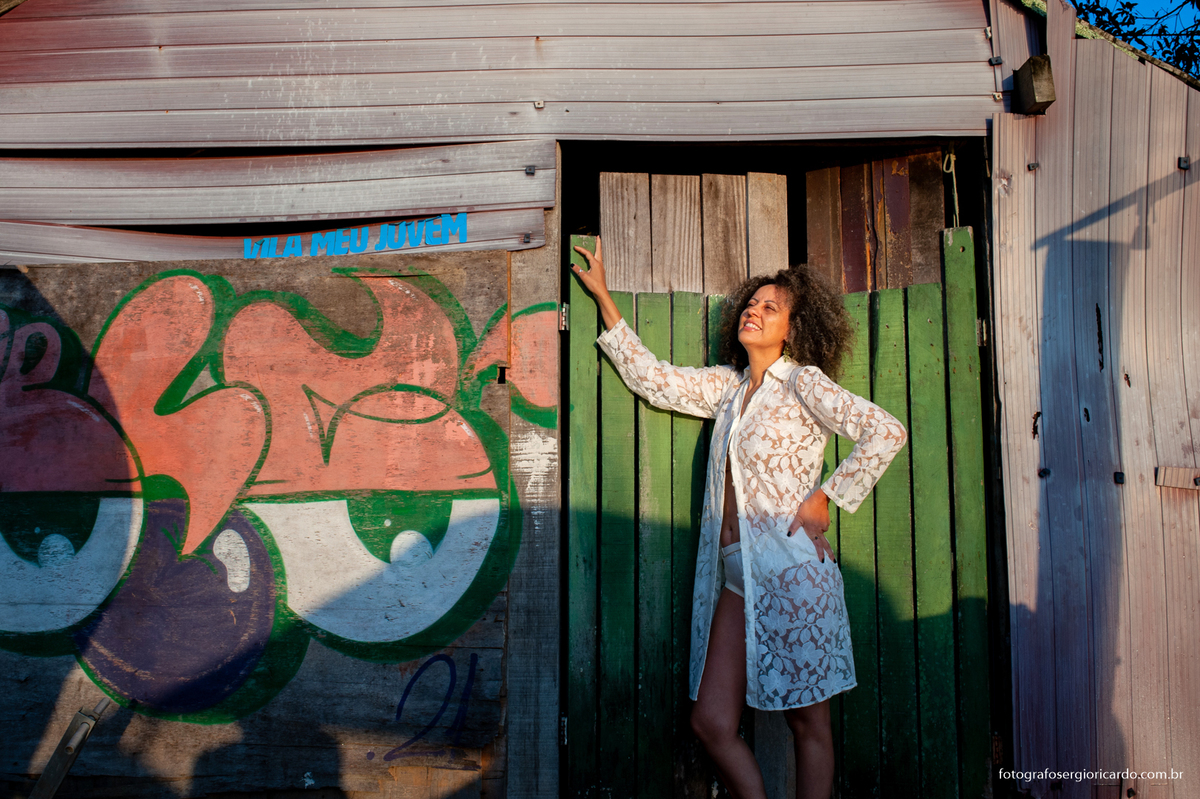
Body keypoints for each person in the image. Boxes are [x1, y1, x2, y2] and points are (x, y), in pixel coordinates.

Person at [571, 237, 908, 799]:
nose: (754, 310)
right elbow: (654, 379)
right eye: (751, 304)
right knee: (712, 723)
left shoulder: (804, 382)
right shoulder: (728, 389)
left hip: (792, 571)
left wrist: (827, 496)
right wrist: (604, 297)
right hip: (733, 575)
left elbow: (885, 431)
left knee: (809, 724)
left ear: (794, 329)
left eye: (770, 307)